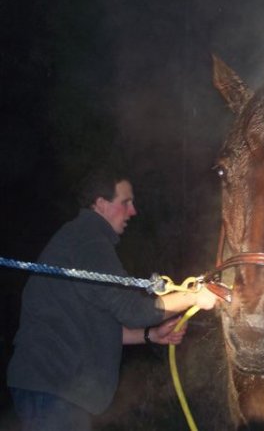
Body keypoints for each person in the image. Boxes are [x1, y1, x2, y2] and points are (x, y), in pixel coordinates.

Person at [7, 168, 219, 430]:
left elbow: (98, 324)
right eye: (125, 202)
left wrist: (150, 335)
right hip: (53, 389)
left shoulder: (81, 240)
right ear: (101, 204)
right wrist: (194, 296)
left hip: (51, 391)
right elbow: (132, 310)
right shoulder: (88, 240)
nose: (133, 211)